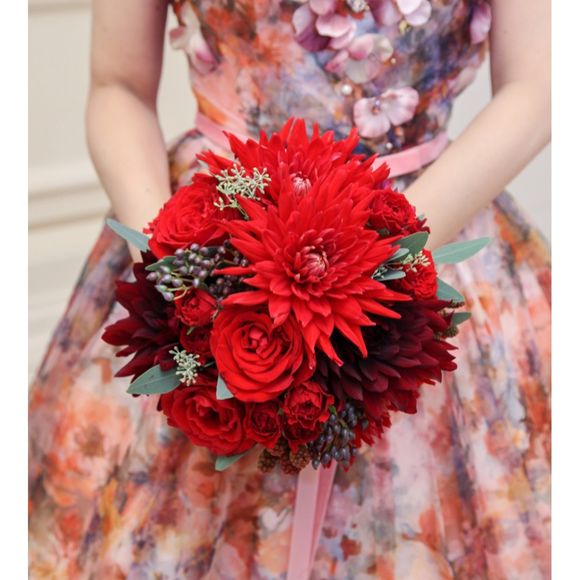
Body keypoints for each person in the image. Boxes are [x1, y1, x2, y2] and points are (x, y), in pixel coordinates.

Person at [29, 0, 550, 578]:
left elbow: (536, 85)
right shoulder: (190, 265)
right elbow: (118, 85)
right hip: (217, 235)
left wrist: (381, 258)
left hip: (429, 224)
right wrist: (175, 271)